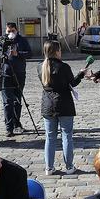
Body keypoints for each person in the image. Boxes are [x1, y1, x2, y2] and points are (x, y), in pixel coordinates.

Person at [39, 39, 86, 174]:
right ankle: (69, 166)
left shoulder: (40, 67)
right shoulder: (64, 67)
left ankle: (49, 167)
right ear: (56, 51)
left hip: (48, 104)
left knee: (50, 137)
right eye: (59, 50)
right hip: (64, 104)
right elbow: (73, 83)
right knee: (67, 136)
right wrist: (81, 74)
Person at [0, 22, 32, 135]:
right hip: (5, 74)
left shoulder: (22, 40)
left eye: (12, 31)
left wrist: (17, 53)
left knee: (17, 101)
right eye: (8, 31)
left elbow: (29, 53)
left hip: (19, 74)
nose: (10, 33)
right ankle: (9, 127)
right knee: (7, 102)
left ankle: (16, 123)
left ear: (16, 30)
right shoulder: (1, 40)